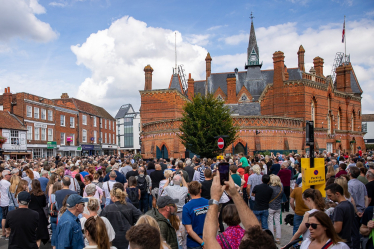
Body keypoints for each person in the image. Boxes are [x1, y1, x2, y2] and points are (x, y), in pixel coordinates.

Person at [202, 171, 277, 249]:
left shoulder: (222, 237)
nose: (244, 237)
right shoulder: (253, 238)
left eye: (245, 239)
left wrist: (214, 198)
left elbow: (209, 241)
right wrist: (234, 194)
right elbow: (255, 231)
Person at [325, 183, 355, 247]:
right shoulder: (350, 204)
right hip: (349, 241)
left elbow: (337, 229)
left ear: (337, 194)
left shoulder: (339, 208)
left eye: (330, 196)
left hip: (341, 242)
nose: (329, 198)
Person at [182, 181, 209, 249]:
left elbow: (189, 230)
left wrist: (202, 243)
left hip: (194, 243)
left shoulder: (186, 207)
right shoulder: (208, 203)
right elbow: (216, 224)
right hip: (208, 239)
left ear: (189, 191)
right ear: (200, 190)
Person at [348, 166, 369, 249]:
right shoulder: (361, 184)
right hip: (362, 210)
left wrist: (356, 211)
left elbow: (352, 200)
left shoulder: (349, 185)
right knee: (362, 231)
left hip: (355, 211)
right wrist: (365, 209)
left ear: (350, 174)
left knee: (355, 233)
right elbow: (366, 197)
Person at [29, 179, 50, 247]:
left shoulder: (29, 194)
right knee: (39, 232)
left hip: (31, 214)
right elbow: (44, 205)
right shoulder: (42, 194)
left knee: (31, 231)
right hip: (40, 214)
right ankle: (38, 246)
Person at [268, 175, 283, 244]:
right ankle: (278, 238)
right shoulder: (281, 188)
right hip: (278, 206)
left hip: (271, 206)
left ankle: (272, 237)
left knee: (270, 222)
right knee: (277, 222)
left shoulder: (270, 188)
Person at [0, 170, 11, 239]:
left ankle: (4, 232)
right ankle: (7, 233)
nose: (11, 175)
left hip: (3, 201)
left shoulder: (1, 181)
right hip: (7, 202)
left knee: (4, 217)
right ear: (6, 175)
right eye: (9, 174)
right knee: (7, 218)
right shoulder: (7, 183)